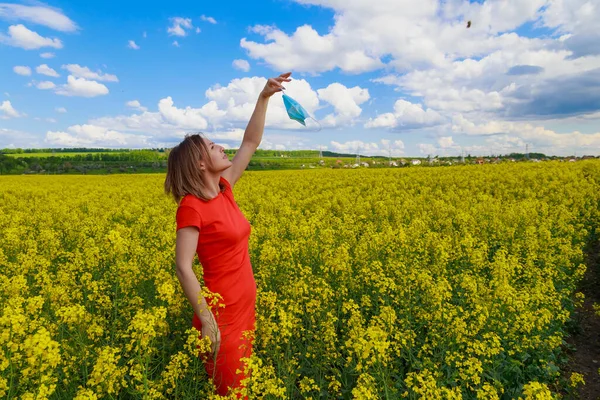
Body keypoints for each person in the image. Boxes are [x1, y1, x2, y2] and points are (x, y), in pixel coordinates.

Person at [164, 72, 292, 398]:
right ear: (199, 164)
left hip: (245, 310)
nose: (221, 147)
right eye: (212, 146)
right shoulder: (191, 207)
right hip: (221, 320)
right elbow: (182, 266)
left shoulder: (225, 188)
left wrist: (264, 97)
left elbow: (250, 142)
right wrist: (207, 321)